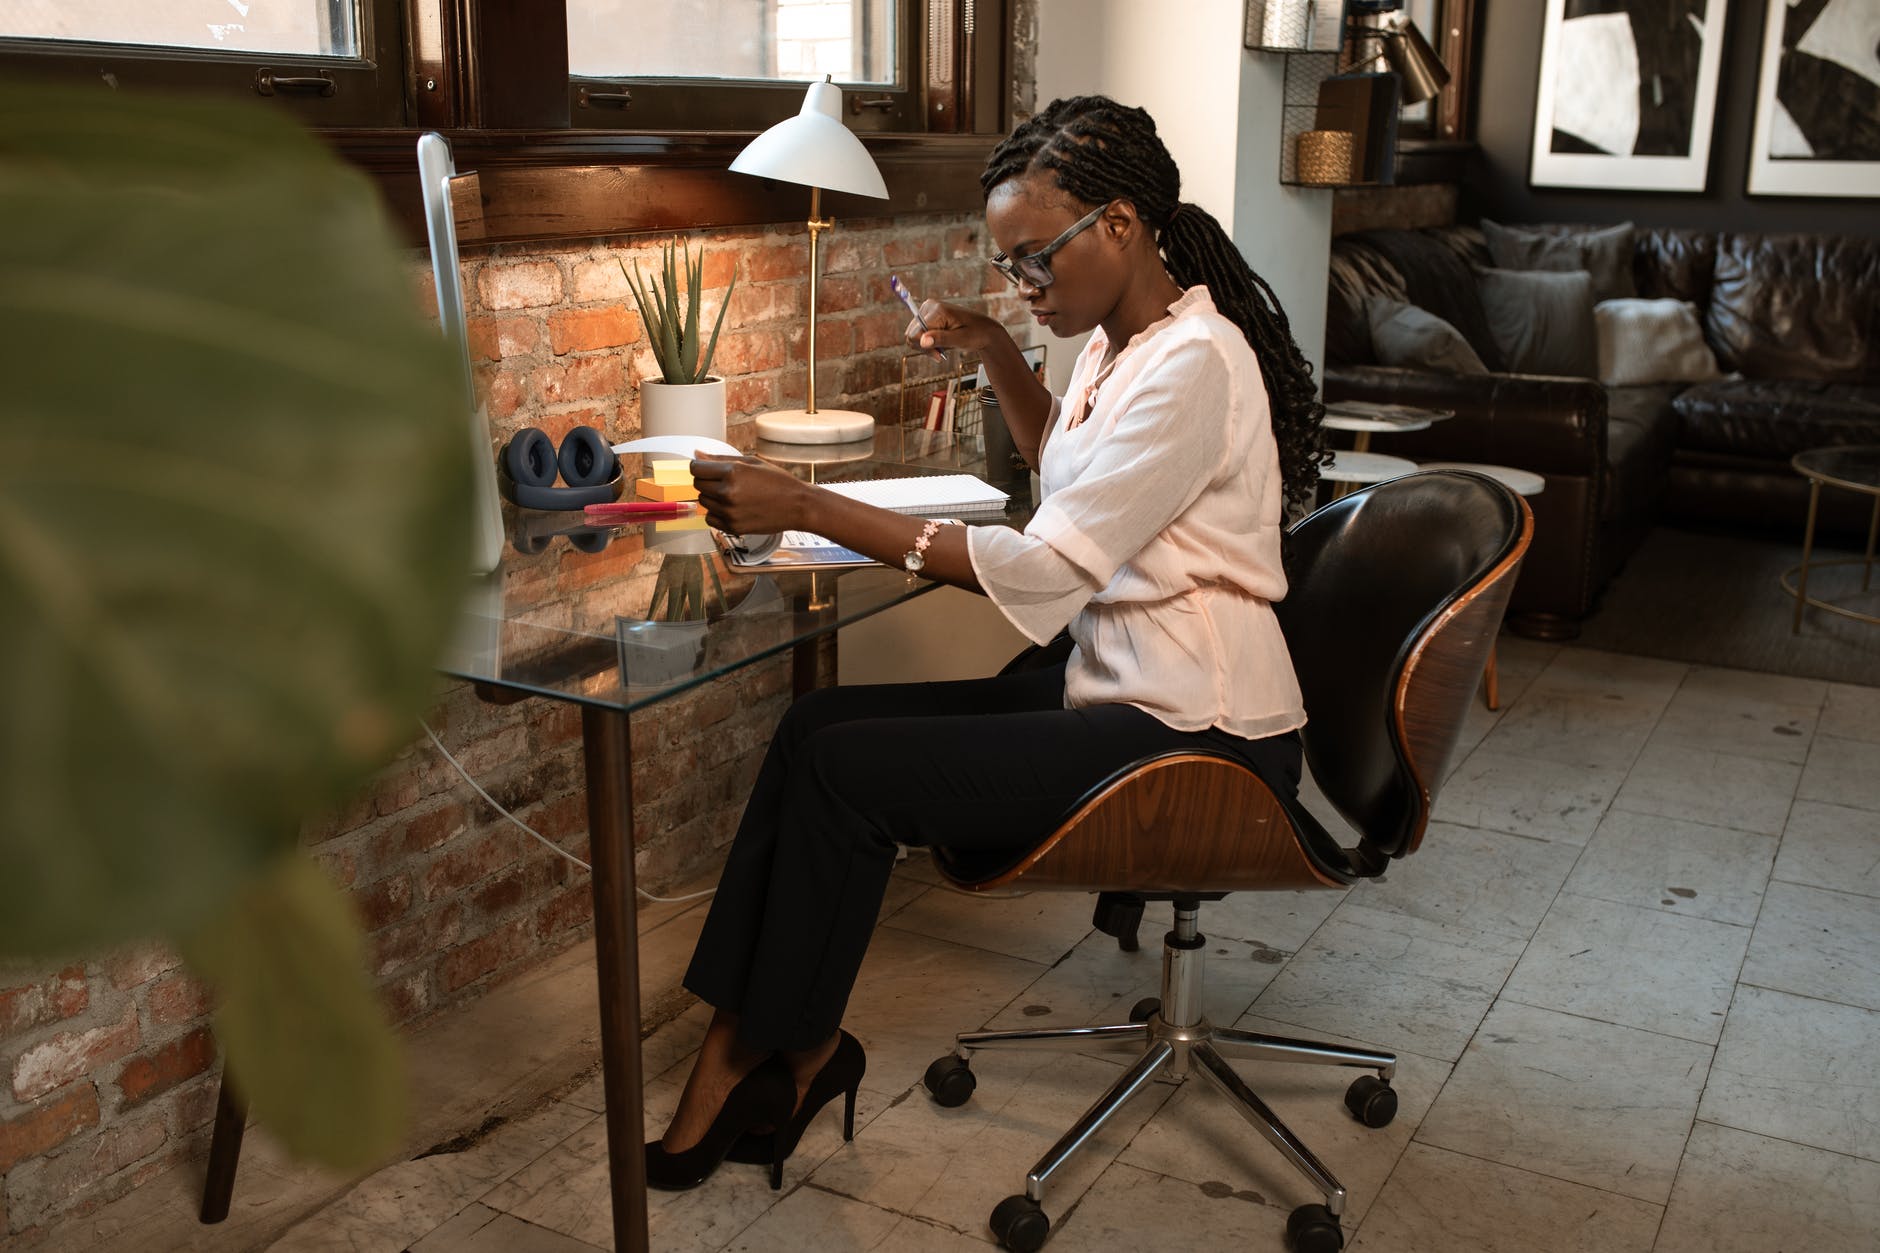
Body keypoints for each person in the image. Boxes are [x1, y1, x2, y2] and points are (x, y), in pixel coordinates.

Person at [644, 94, 1329, 1191]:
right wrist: (1003, 351)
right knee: (816, 722)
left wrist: (809, 506)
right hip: (1126, 689)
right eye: (1009, 268)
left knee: (842, 770)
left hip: (1200, 733)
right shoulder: (1126, 342)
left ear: (1117, 223)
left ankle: (767, 1051)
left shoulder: (1194, 362)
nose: (1023, 284)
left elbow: (1051, 562)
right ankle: (772, 1041)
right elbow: (1074, 471)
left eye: (1034, 262)